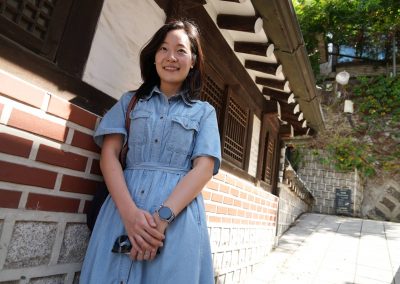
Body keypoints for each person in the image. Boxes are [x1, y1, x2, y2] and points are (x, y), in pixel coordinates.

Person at [80, 19, 221, 284]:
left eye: (181, 50)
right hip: (121, 212)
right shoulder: (128, 102)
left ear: (193, 61)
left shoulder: (204, 113)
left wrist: (162, 219)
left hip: (177, 221)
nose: (171, 57)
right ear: (154, 57)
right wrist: (130, 215)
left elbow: (203, 169)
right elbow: (109, 155)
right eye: (163, 49)